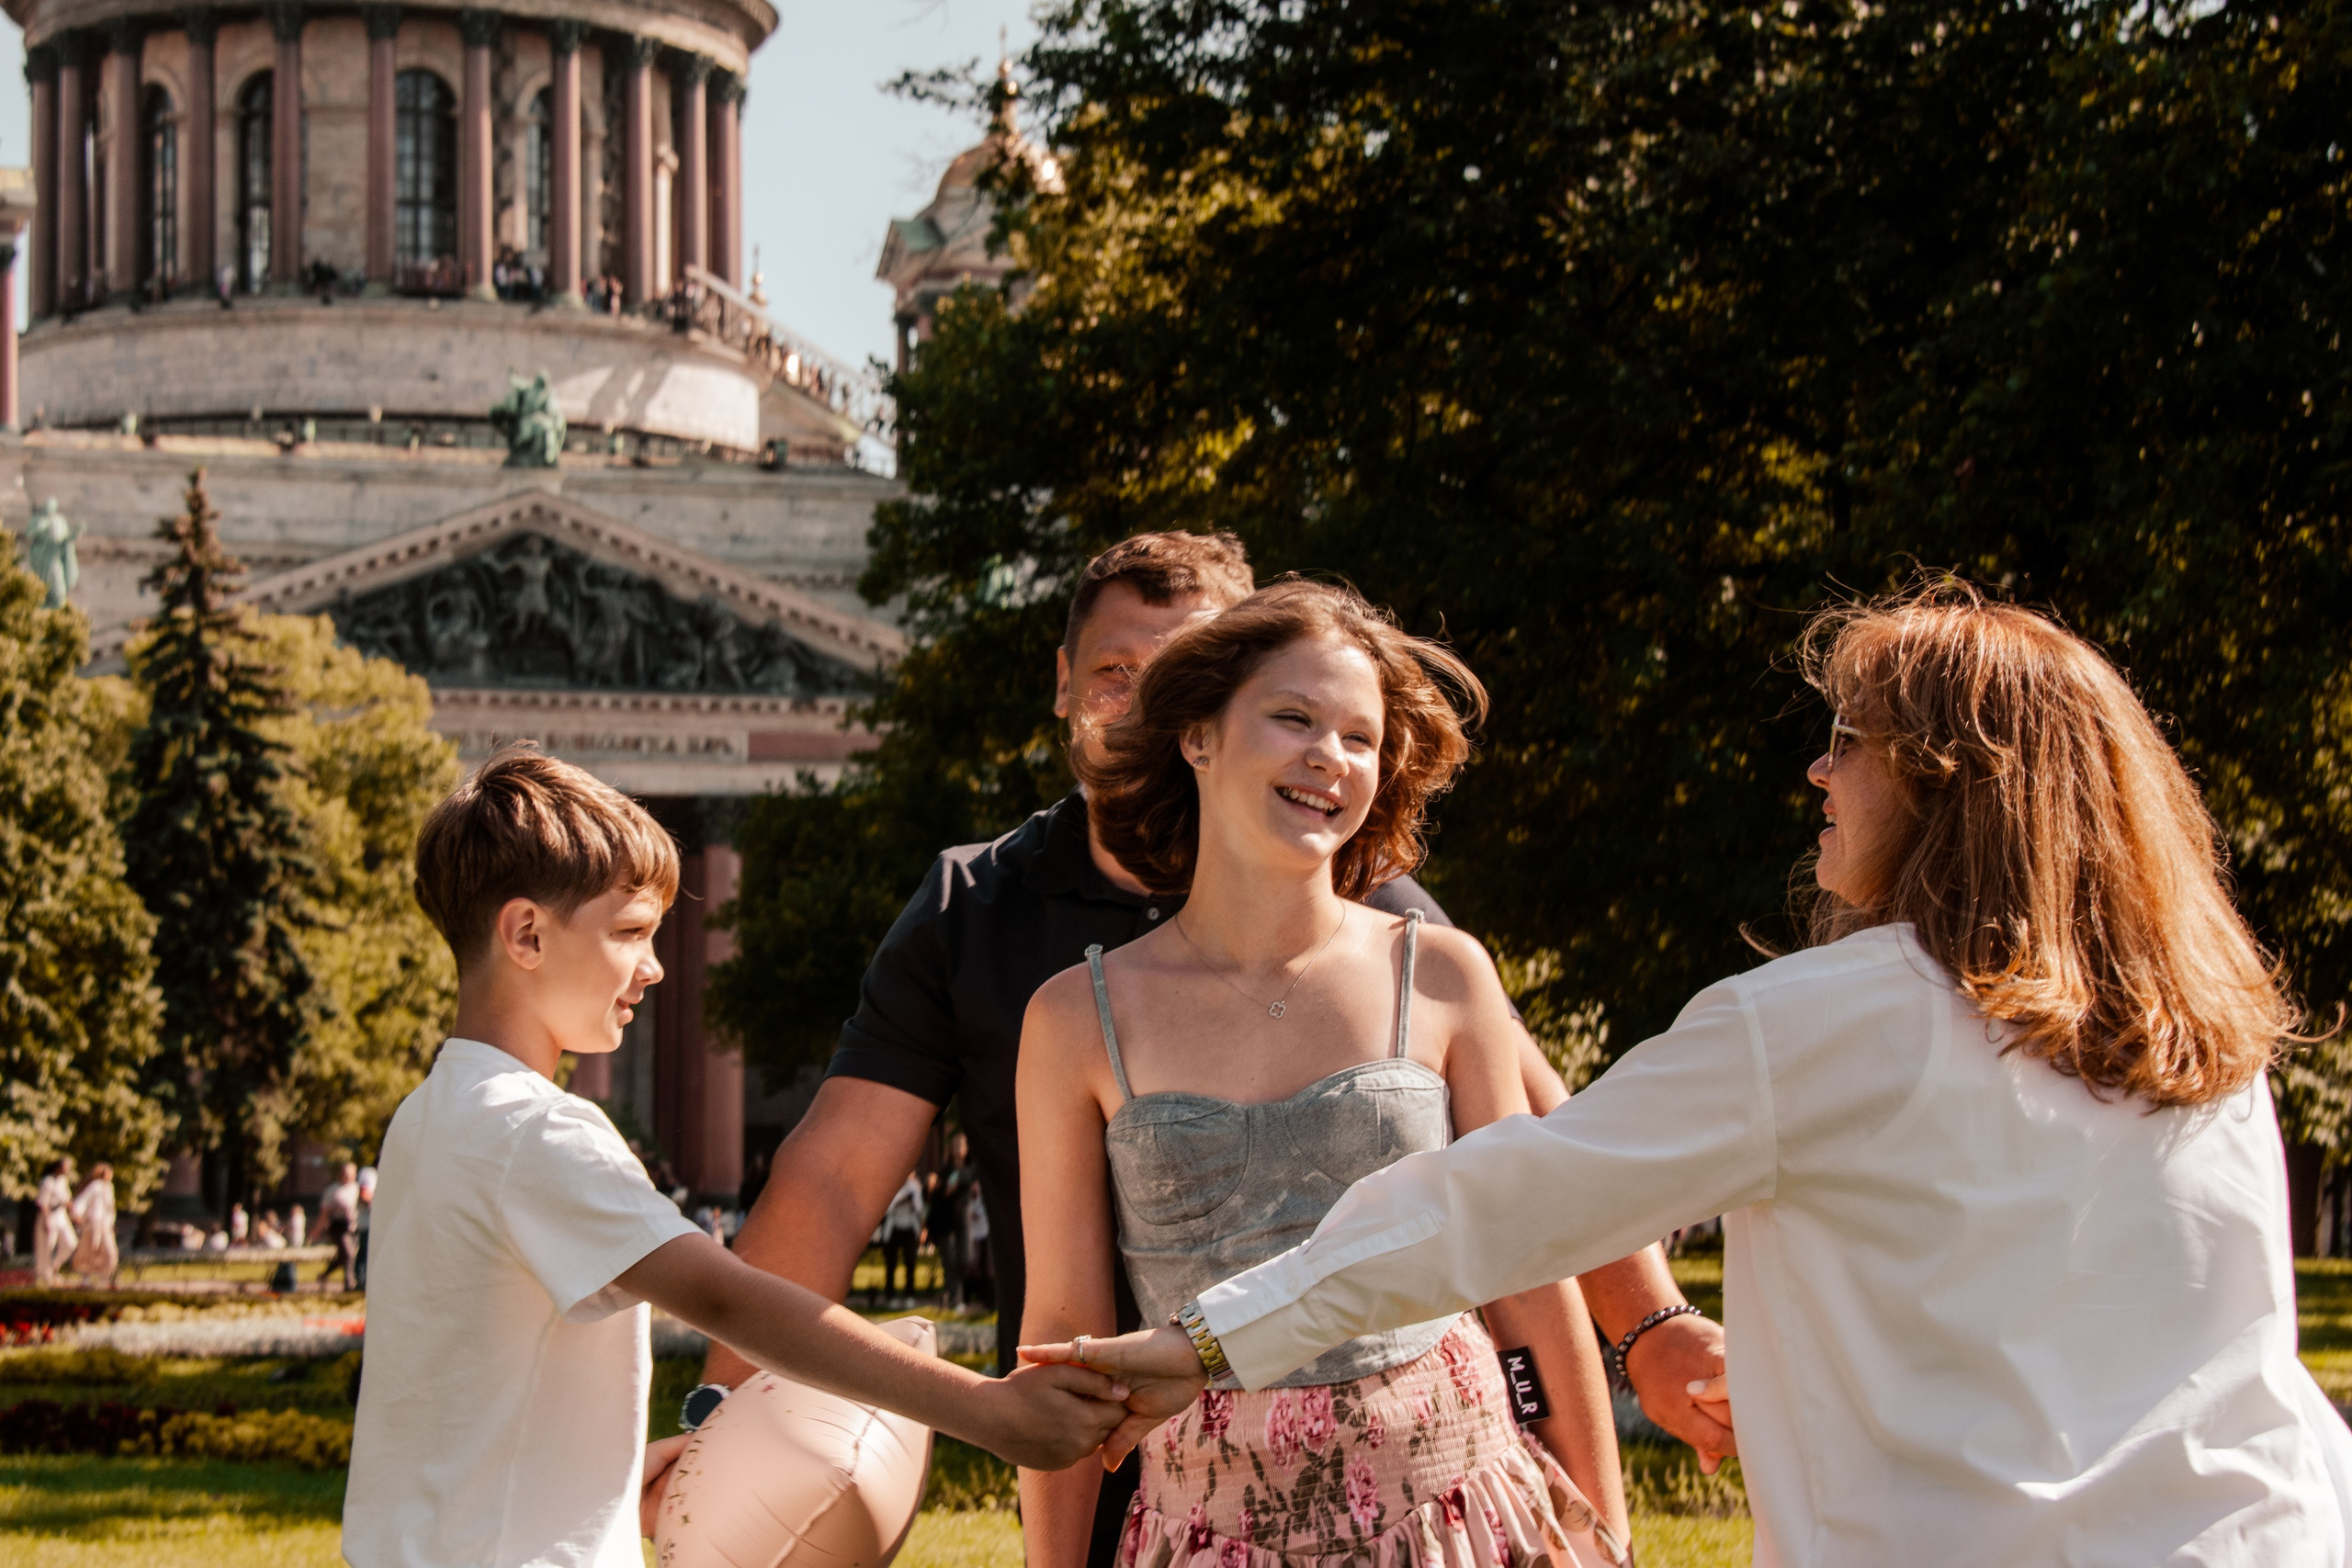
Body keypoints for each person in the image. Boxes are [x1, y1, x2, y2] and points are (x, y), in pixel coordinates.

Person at [1035, 587, 2352, 1566]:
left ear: (1951, 779)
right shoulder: (2206, 1037)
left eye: (1852, 740)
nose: (1820, 768)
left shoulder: (1816, 1025)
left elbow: (1483, 1207)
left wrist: (1199, 1338)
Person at [691, 532, 1727, 1564]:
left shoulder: (1410, 938)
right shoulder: (987, 922)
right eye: (1113, 675)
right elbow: (835, 1181)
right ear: (1113, 701)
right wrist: (715, 1409)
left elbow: (1541, 1175)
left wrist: (1654, 1335)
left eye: (1352, 732)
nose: (1140, 703)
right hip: (1157, 1471)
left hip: (1445, 1484)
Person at [343, 746, 1136, 1568]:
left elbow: (464, 1395)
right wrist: (985, 1409)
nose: (652, 968)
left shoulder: (428, 1117)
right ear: (527, 933)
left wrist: (610, 1481)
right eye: (629, 933)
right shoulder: (540, 1132)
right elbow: (732, 1302)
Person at [1021, 581, 1629, 1566]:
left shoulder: (1440, 972)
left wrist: (1606, 1531)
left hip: (1458, 1507)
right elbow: (1063, 1329)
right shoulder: (1071, 1018)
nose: (1328, 758)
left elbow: (1530, 1273)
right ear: (1198, 736)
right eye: (1292, 718)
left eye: (1359, 738)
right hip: (1209, 1528)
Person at [70, 1163, 118, 1285]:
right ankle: (86, 1278)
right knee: (90, 1250)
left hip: (105, 1225)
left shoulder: (109, 1187)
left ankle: (105, 1276)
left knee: (108, 1250)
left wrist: (111, 1221)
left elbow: (110, 1207)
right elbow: (83, 1201)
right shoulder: (95, 1186)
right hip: (93, 1224)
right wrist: (77, 1216)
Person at [32, 1157, 77, 1286]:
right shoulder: (48, 1181)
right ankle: (44, 1276)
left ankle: (54, 1267)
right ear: (58, 1168)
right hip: (49, 1215)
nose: (67, 1170)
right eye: (65, 1167)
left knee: (71, 1243)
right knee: (48, 1246)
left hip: (61, 1215)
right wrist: (46, 1220)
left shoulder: (63, 1181)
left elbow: (67, 1199)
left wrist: (74, 1214)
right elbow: (43, 1202)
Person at [878, 1173, 923, 1300]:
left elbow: (919, 1208)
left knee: (910, 1262)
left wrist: (912, 1203)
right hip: (894, 1229)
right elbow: (887, 1208)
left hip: (909, 1228)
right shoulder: (892, 1185)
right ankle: (890, 1296)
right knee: (891, 1263)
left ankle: (909, 1295)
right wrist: (901, 1201)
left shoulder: (914, 1187)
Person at [320, 1164, 363, 1291]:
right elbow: (324, 1213)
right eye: (345, 1174)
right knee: (348, 1254)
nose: (347, 1177)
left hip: (354, 1226)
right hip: (338, 1226)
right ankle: (349, 1283)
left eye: (350, 1175)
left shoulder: (356, 1188)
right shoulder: (333, 1190)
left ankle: (324, 1275)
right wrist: (316, 1230)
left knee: (344, 1256)